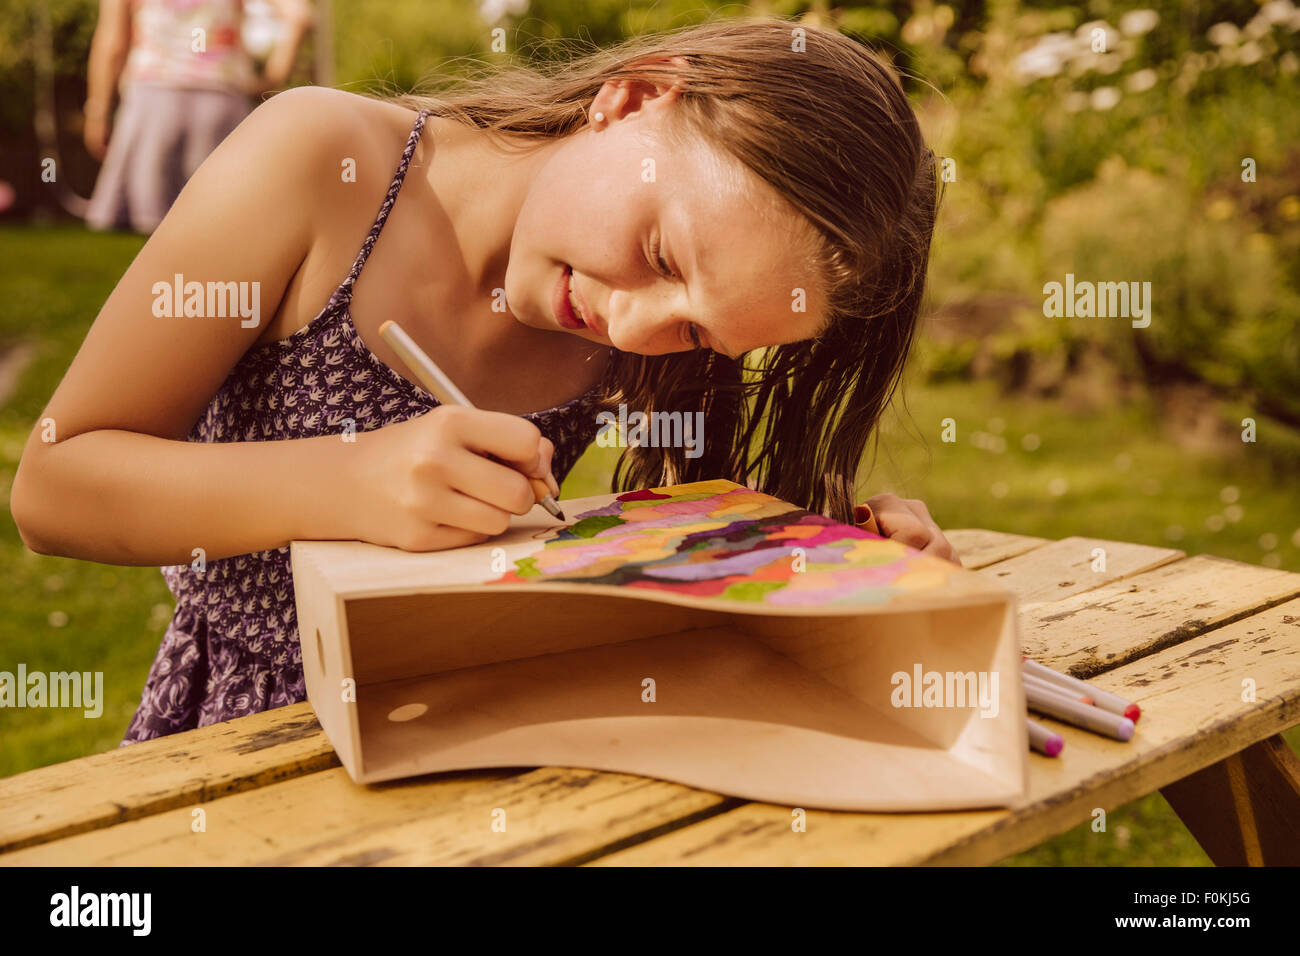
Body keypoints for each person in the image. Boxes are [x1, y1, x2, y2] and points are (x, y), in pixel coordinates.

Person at [13, 17, 959, 743]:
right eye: (658, 252)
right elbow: (55, 488)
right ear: (631, 100)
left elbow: (686, 544)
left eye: (700, 332)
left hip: (480, 729)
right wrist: (349, 481)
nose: (634, 324)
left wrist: (837, 549)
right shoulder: (319, 165)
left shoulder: (641, 330)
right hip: (251, 734)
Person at [83, 0, 312, 233]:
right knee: (222, 222)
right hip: (219, 102)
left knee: (152, 225)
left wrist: (97, 111)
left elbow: (112, 44)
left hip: (153, 101)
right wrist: (273, 76)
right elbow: (298, 15)